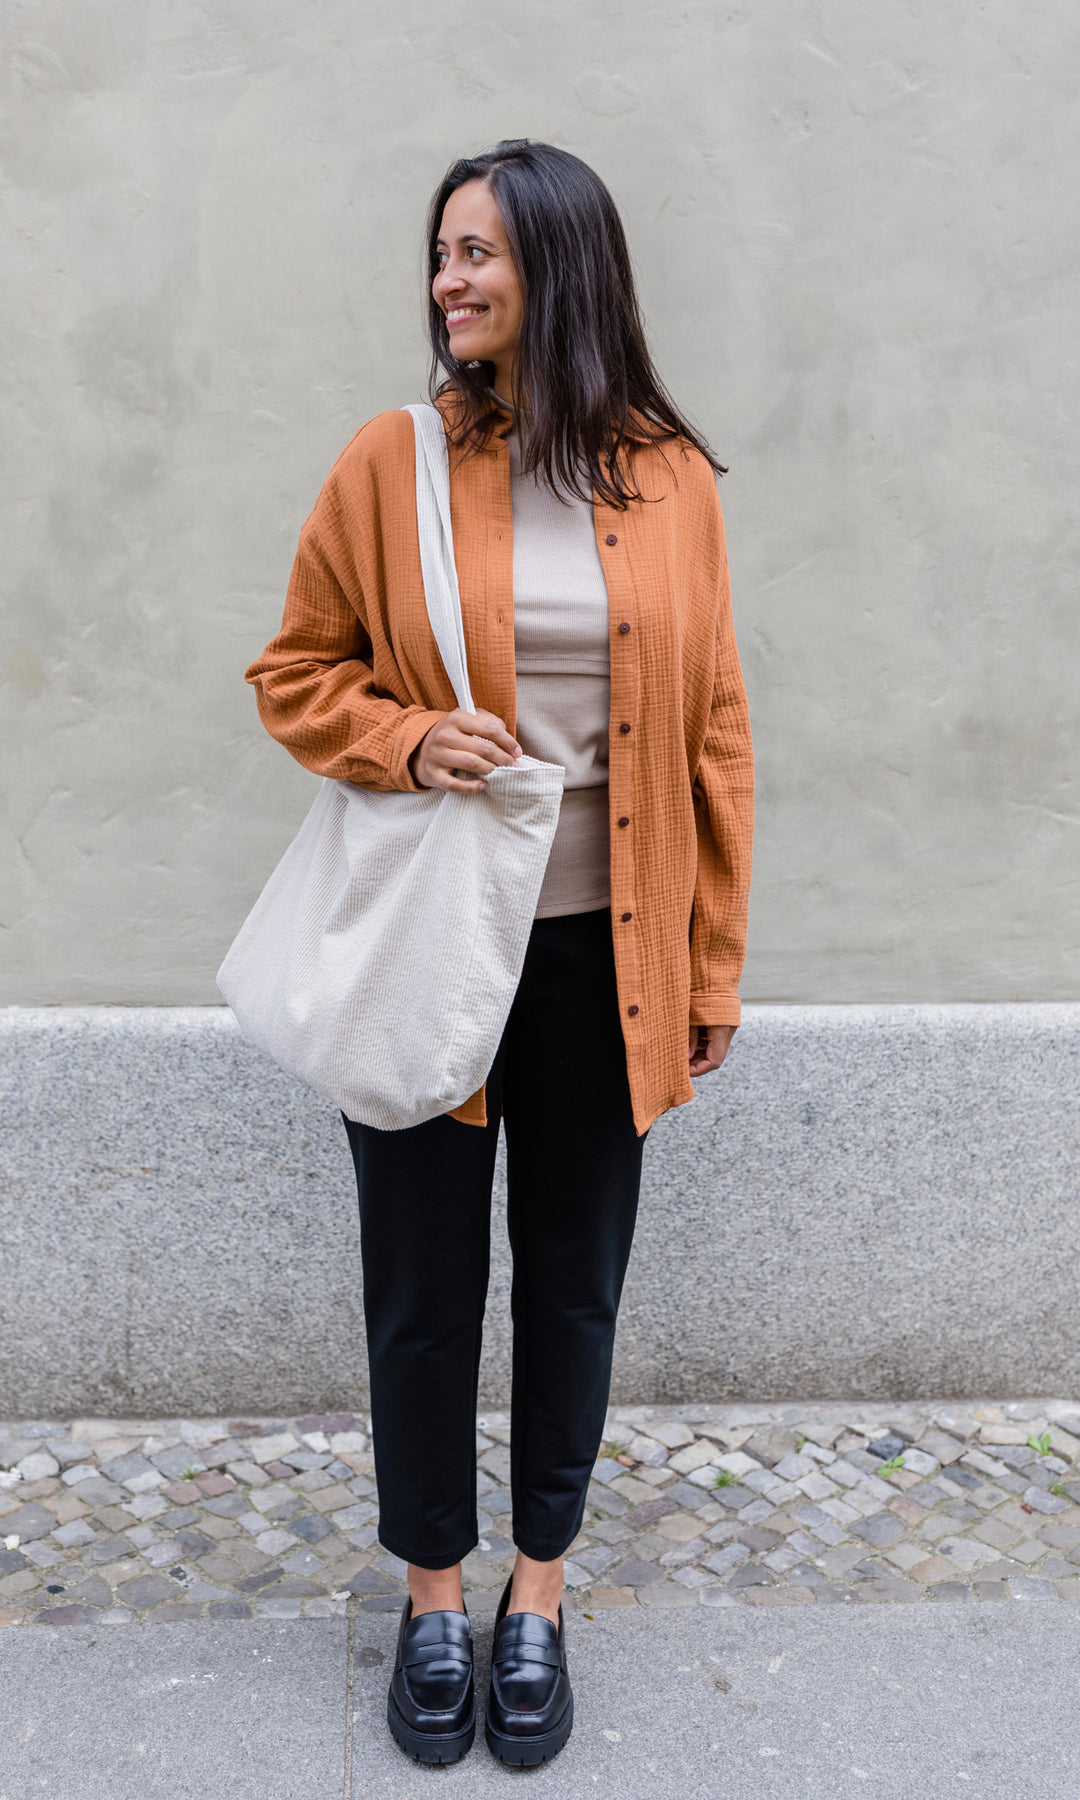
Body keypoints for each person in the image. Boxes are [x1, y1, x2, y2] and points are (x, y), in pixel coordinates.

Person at [245, 138, 753, 1768]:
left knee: (576, 1294)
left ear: (564, 264)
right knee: (421, 1294)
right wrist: (404, 739)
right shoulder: (387, 465)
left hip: (608, 959)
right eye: (441, 254)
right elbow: (293, 672)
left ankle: (537, 1593)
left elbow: (717, 735)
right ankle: (434, 1592)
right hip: (428, 954)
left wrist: (713, 963)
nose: (450, 280)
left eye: (481, 253)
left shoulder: (668, 478)